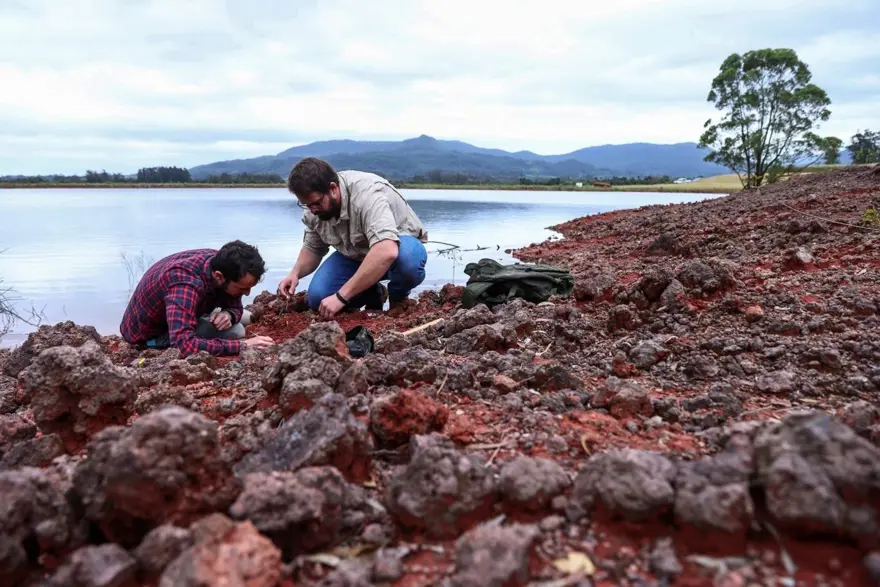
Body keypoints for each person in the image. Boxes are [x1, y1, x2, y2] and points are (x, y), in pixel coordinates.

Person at [278, 158, 429, 318]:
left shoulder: (367, 196)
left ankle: (398, 299)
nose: (312, 210)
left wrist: (341, 297)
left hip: (398, 248)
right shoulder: (314, 208)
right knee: (318, 298)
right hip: (356, 256)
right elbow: (313, 248)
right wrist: (295, 273)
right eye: (306, 205)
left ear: (333, 188)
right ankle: (373, 293)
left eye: (316, 203)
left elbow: (387, 251)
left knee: (408, 262)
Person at [120, 240, 275, 357]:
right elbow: (183, 345)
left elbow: (235, 306)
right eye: (242, 288)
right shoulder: (185, 284)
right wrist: (242, 346)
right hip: (149, 335)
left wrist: (229, 314)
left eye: (249, 287)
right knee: (236, 331)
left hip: (183, 308)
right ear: (219, 276)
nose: (247, 293)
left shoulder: (223, 263)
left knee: (242, 317)